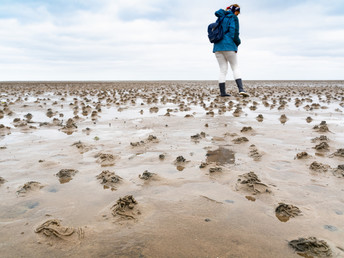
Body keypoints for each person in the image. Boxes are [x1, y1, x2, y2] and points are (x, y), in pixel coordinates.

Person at [213, 4, 249, 97]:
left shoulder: (220, 17)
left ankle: (223, 93)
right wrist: (237, 43)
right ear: (235, 11)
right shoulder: (233, 18)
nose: (237, 14)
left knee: (222, 70)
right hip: (229, 46)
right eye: (237, 12)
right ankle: (241, 89)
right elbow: (234, 33)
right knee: (235, 67)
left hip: (217, 47)